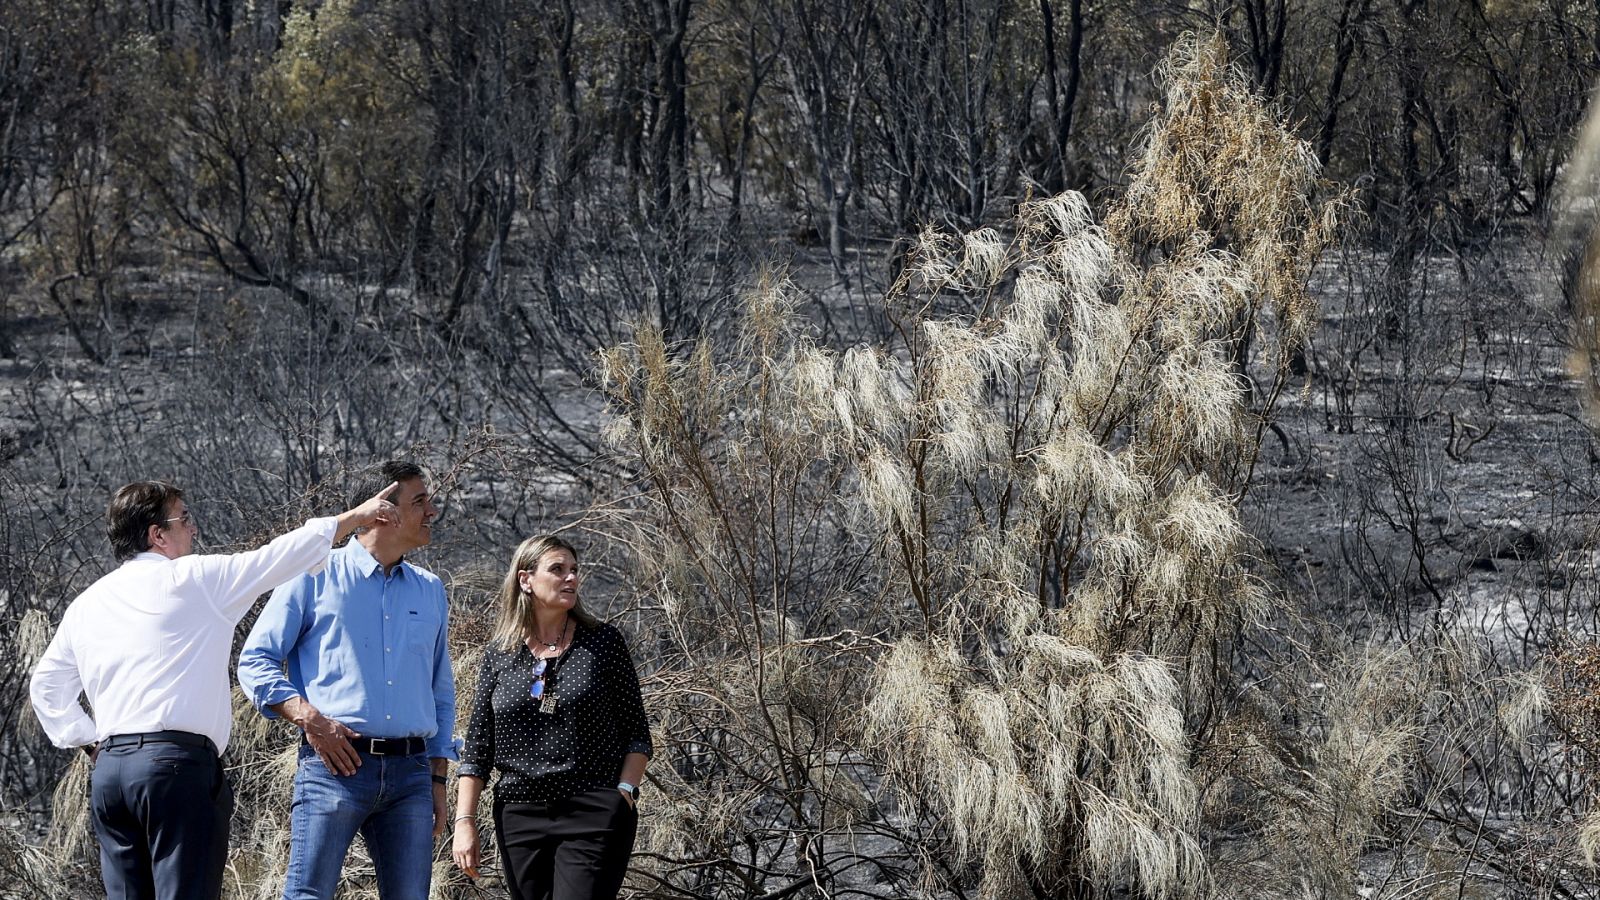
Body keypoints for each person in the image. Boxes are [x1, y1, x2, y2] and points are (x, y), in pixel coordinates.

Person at [29, 478, 400, 900]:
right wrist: (353, 518)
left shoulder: (88, 602)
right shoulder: (194, 579)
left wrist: (90, 741)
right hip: (176, 768)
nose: (193, 528)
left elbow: (46, 686)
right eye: (184, 518)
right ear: (157, 534)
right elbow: (277, 557)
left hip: (111, 775)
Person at [237, 461, 456, 900]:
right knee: (308, 896)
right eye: (420, 501)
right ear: (381, 512)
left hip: (411, 775)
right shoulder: (312, 574)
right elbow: (255, 660)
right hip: (333, 769)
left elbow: (440, 690)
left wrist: (437, 778)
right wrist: (310, 719)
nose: (433, 511)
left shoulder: (430, 588)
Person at [451, 534, 652, 900]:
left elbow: (637, 733)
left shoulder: (603, 642)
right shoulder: (500, 653)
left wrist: (624, 793)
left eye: (574, 570)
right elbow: (478, 748)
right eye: (558, 570)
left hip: (594, 809)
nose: (571, 578)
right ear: (525, 580)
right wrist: (464, 821)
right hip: (518, 815)